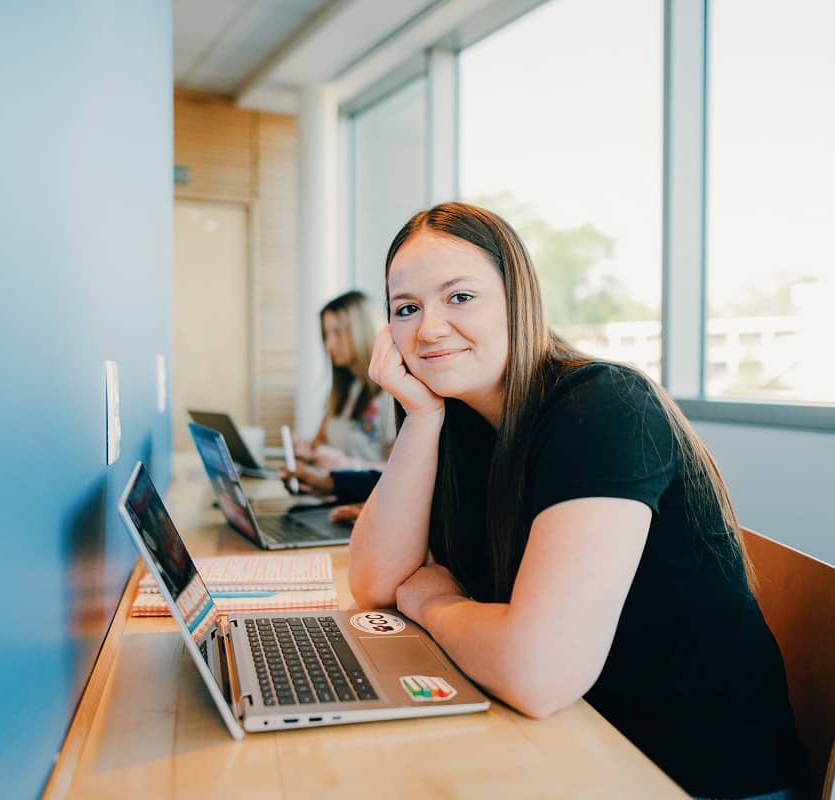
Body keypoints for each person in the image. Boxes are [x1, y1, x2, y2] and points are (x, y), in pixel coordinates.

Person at [349, 202, 808, 800]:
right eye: (406, 309)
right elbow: (378, 584)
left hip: (688, 771)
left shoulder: (603, 407)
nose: (429, 329)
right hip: (580, 734)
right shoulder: (455, 419)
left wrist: (438, 604)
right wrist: (420, 417)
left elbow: (539, 671)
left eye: (459, 297)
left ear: (518, 299)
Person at [284, 290, 394, 517]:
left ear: (361, 331)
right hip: (340, 504)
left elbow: (405, 472)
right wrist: (307, 456)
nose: (329, 343)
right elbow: (318, 444)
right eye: (326, 334)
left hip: (373, 510)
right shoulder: (345, 391)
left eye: (337, 333)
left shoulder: (391, 394)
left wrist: (348, 465)